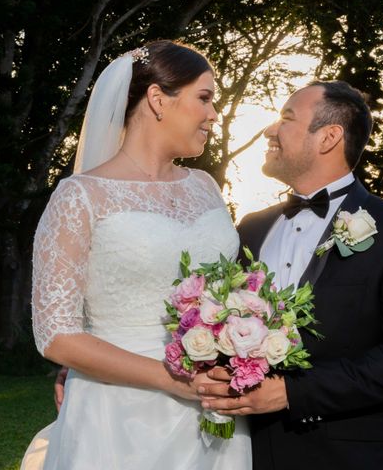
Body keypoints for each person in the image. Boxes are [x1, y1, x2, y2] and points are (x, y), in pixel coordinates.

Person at [20, 40, 251, 470]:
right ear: (158, 99)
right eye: (204, 98)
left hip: (213, 405)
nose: (213, 114)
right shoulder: (81, 197)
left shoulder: (205, 187)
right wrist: (174, 381)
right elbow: (56, 335)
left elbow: (229, 294)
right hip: (118, 414)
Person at [199, 81, 383, 469]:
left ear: (329, 137)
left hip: (350, 455)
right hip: (251, 451)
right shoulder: (250, 228)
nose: (269, 130)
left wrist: (292, 393)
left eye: (287, 118)